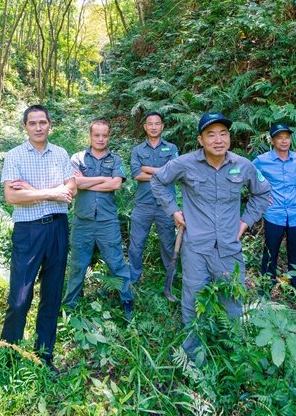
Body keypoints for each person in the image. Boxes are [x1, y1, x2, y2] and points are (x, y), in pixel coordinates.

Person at [151, 112, 271, 357]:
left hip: (229, 247)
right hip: (196, 248)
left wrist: (246, 222)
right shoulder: (185, 164)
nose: (218, 140)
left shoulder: (243, 165)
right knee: (193, 300)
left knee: (232, 300)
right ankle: (192, 356)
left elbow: (262, 193)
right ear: (200, 140)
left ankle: (233, 352)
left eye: (223, 134)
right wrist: (173, 211)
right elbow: (158, 180)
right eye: (211, 134)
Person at [0, 104, 76, 371]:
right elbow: (12, 196)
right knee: (20, 297)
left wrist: (32, 190)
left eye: (42, 122)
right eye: (32, 123)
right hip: (28, 231)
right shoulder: (15, 155)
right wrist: (52, 193)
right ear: (25, 127)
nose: (38, 127)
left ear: (49, 125)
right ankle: (9, 355)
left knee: (52, 295)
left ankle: (44, 356)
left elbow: (71, 189)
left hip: (58, 228)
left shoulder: (61, 153)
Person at [63, 119, 135, 317]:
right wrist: (104, 179)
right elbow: (74, 183)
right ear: (90, 136)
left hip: (107, 221)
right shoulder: (78, 158)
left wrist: (86, 181)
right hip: (82, 221)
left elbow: (116, 185)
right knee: (77, 265)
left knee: (116, 262)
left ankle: (127, 301)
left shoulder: (115, 160)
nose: (100, 139)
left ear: (108, 136)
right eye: (97, 135)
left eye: (104, 135)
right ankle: (70, 305)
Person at [252, 123, 296, 295]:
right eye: (279, 138)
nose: (284, 141)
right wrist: (261, 195)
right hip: (274, 213)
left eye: (287, 137)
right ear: (272, 141)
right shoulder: (262, 160)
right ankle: (265, 289)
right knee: (270, 253)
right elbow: (249, 176)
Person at [129, 112, 180, 287]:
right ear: (145, 127)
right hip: (143, 204)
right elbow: (136, 174)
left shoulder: (171, 148)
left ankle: (171, 280)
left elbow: (173, 173)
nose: (153, 127)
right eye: (150, 124)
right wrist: (162, 173)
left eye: (157, 123)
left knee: (168, 244)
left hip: (166, 205)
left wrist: (148, 169)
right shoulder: (138, 150)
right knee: (136, 244)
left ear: (162, 126)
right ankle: (133, 279)